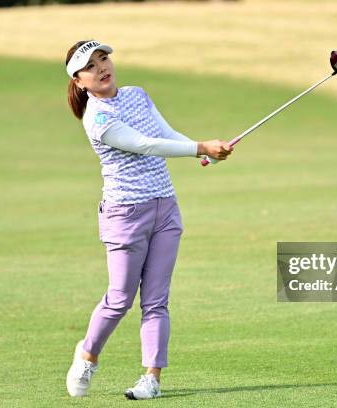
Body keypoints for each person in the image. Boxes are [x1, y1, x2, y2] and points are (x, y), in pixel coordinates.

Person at [63, 40, 232, 400]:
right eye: (90, 66)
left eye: (103, 58)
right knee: (120, 298)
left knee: (156, 300)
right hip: (125, 215)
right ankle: (88, 354)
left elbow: (165, 135)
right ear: (79, 81)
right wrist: (200, 147)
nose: (101, 67)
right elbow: (144, 144)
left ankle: (151, 379)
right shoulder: (97, 117)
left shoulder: (138, 94)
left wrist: (202, 154)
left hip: (165, 209)